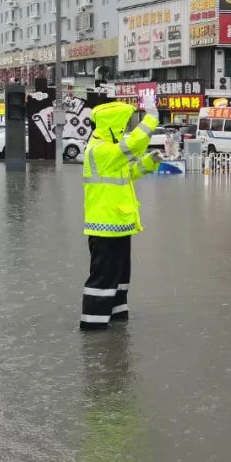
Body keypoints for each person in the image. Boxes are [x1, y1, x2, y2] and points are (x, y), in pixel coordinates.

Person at [79, 94, 162, 331]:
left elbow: (128, 173)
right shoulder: (101, 150)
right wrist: (151, 118)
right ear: (112, 126)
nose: (125, 130)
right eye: (123, 126)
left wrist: (149, 162)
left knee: (119, 275)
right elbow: (133, 144)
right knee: (103, 277)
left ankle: (116, 319)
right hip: (105, 225)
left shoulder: (108, 151)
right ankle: (93, 326)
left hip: (118, 224)